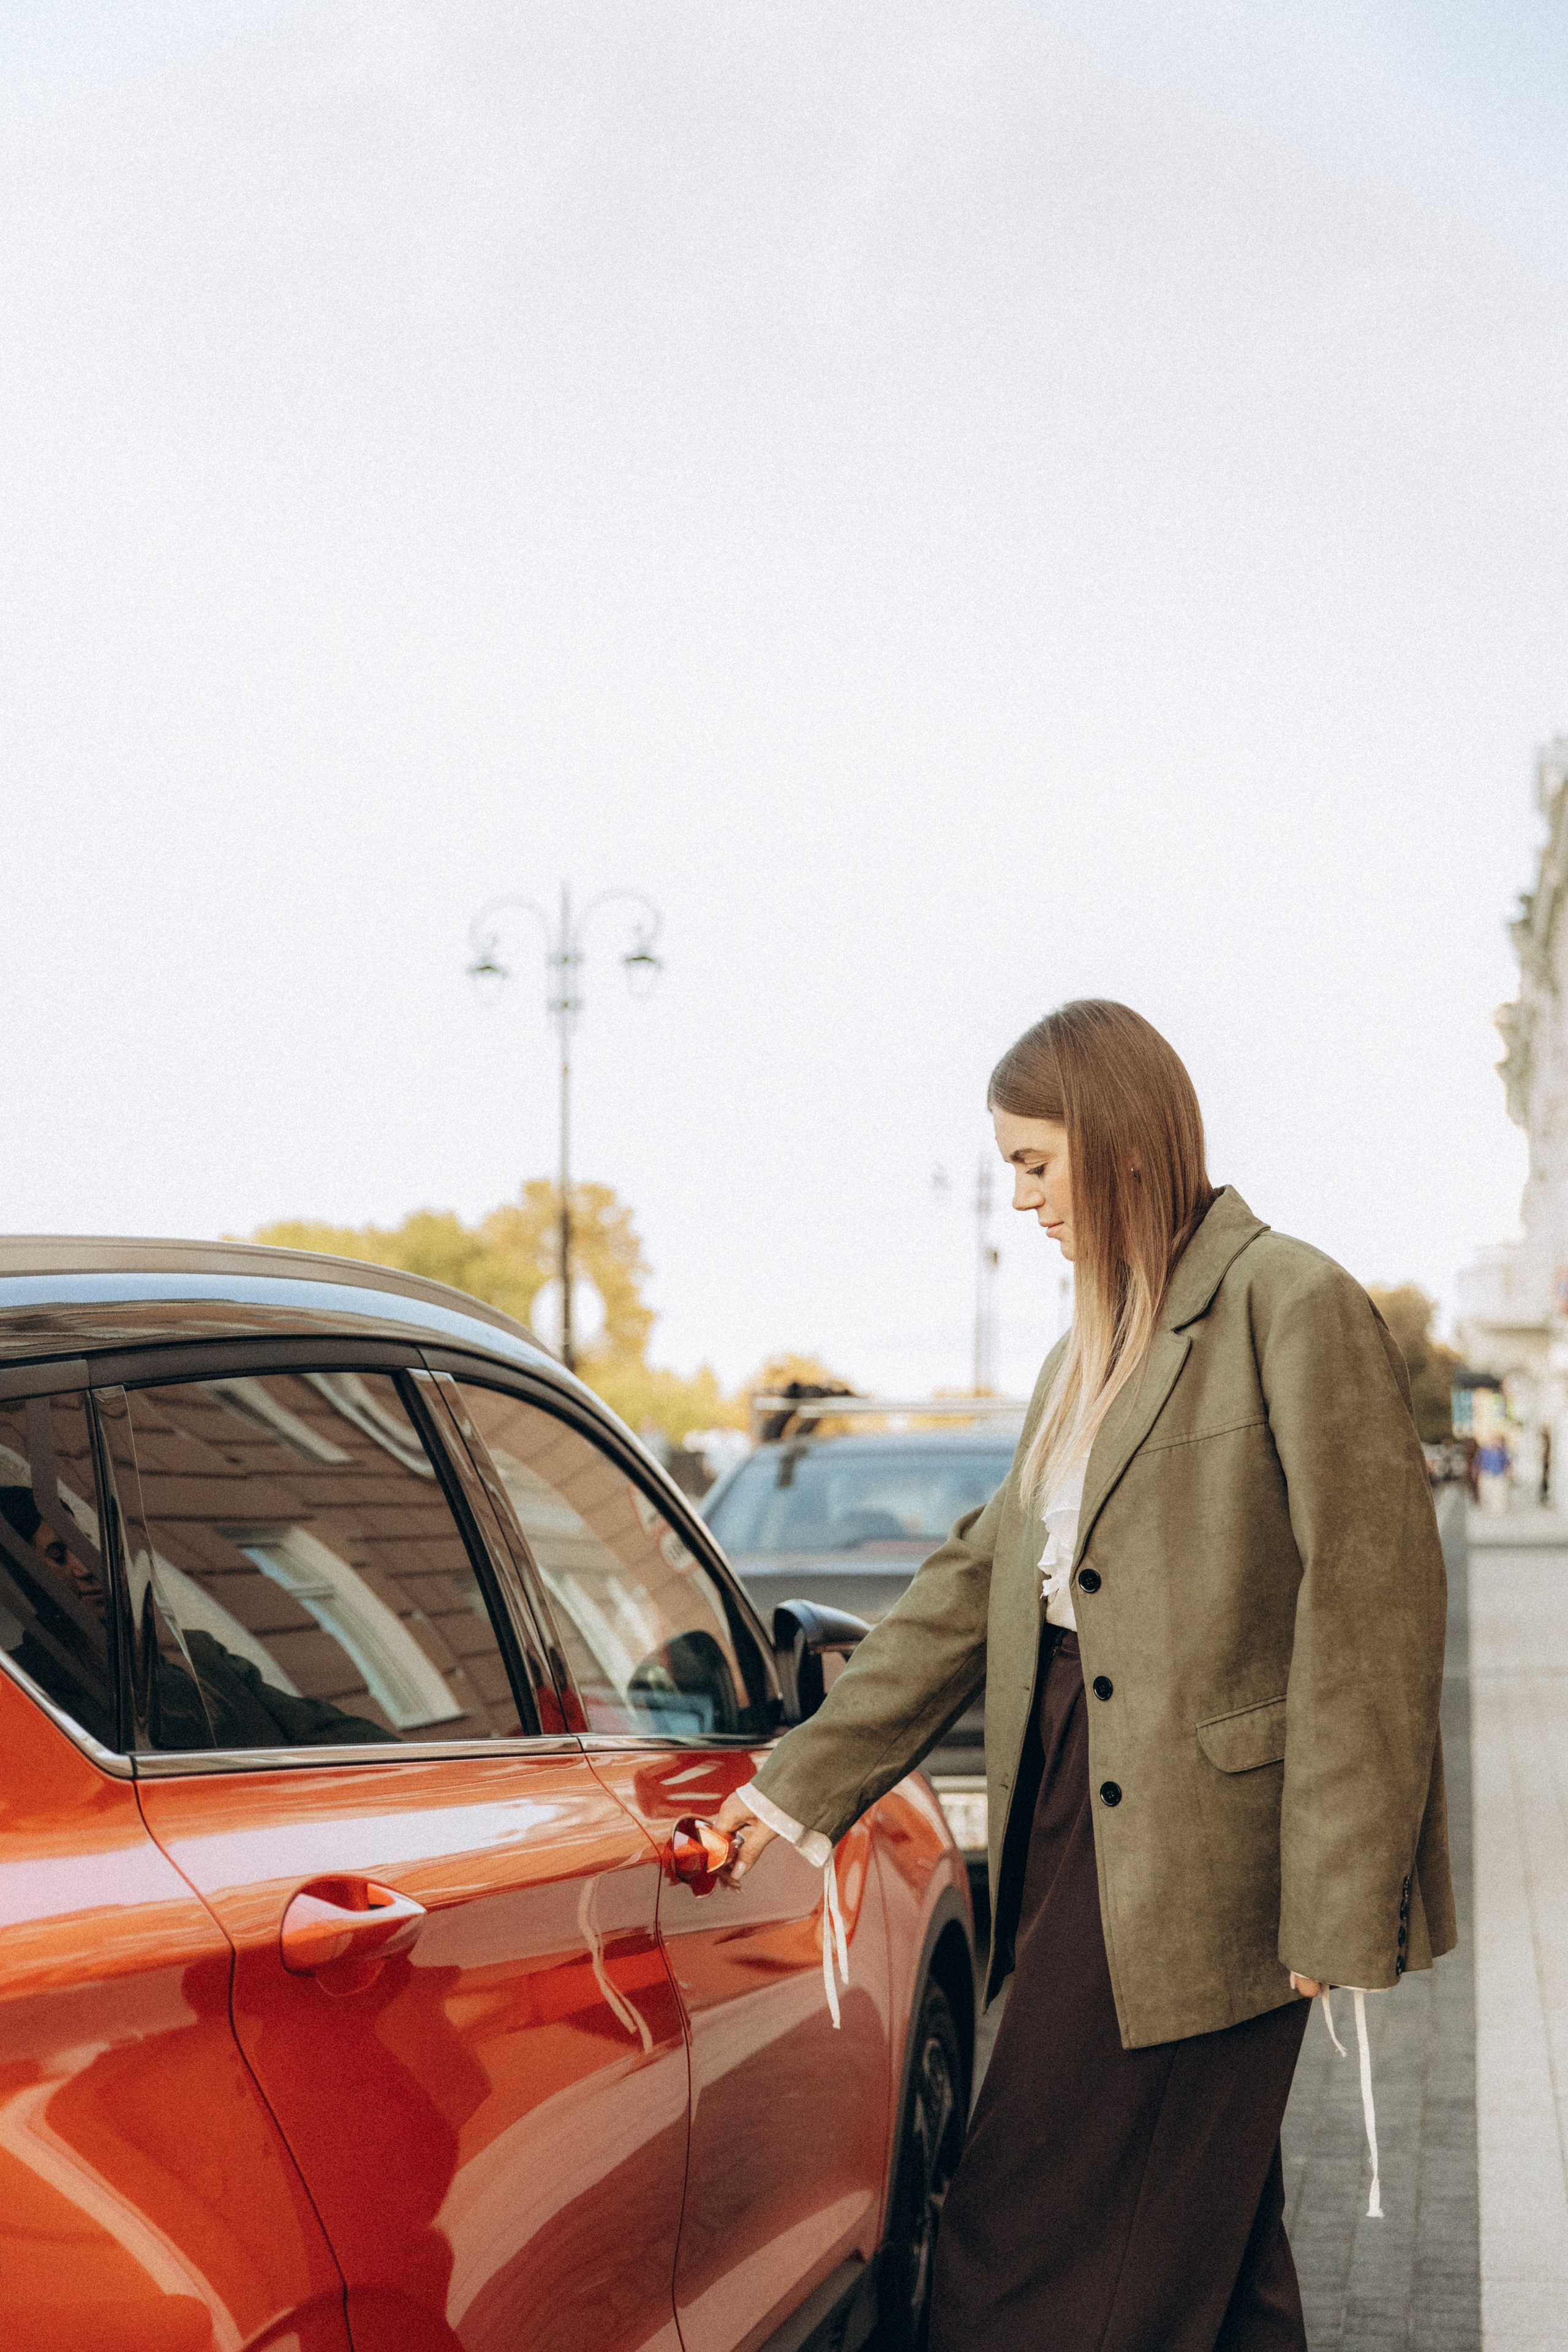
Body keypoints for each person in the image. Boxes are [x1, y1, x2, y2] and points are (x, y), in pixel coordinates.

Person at [714, 1000, 1453, 2352]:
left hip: (1211, 1861)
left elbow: (1372, 1611)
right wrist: (790, 1790)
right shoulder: (1082, 1347)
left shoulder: (1289, 1302)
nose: (1019, 1203)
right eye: (1006, 1170)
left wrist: (1335, 1900)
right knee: (1208, 2250)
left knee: (1021, 2223)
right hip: (1071, 1816)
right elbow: (971, 1587)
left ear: (1117, 1147)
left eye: (1034, 1166)